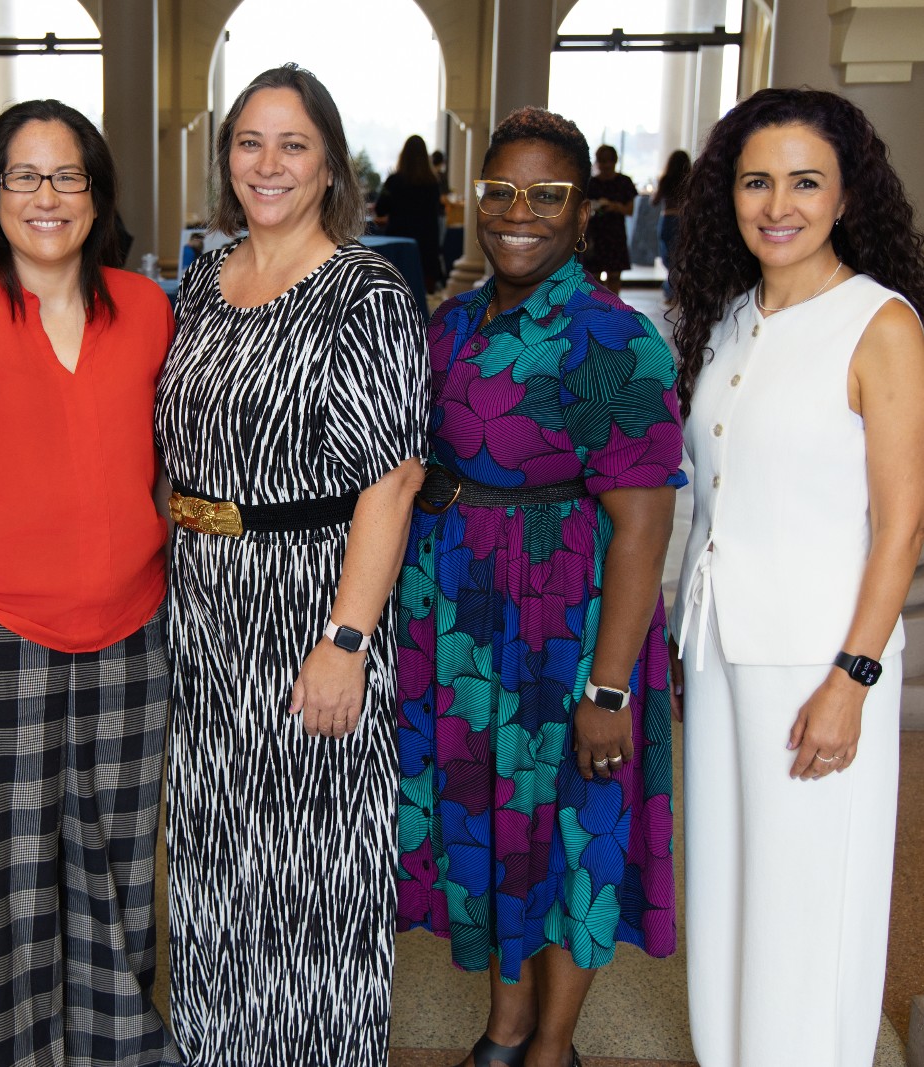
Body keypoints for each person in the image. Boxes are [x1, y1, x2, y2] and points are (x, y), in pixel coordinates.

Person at [396, 107, 683, 1067]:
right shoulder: (454, 321)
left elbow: (642, 527)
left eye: (546, 194)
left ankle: (552, 1046)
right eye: (500, 191)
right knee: (493, 831)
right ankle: (506, 1024)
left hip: (566, 630)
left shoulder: (612, 338)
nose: (518, 212)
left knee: (566, 839)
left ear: (581, 211)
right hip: (468, 625)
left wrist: (608, 688)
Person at [0, 99, 179, 1067]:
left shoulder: (147, 308)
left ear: (96, 196)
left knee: (115, 864)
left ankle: (110, 1047)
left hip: (130, 631)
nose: (45, 196)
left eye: (67, 176)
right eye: (23, 175)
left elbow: (162, 468)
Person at [155, 64, 428, 1067]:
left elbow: (393, 479)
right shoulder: (205, 276)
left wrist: (346, 640)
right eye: (249, 142)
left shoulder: (366, 291)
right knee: (214, 855)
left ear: (329, 168)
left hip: (311, 597)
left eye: (293, 144)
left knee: (312, 863)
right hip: (203, 606)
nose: (267, 164)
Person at [668, 88, 924, 1067]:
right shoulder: (731, 318)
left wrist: (850, 680)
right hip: (721, 648)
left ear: (846, 196)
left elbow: (901, 525)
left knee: (806, 902)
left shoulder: (879, 323)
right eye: (756, 182)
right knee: (729, 887)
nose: (778, 205)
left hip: (818, 658)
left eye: (805, 182)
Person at [375, 133, 446, 289]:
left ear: (403, 155)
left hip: (398, 244)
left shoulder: (393, 181)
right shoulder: (433, 183)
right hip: (425, 247)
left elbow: (380, 209)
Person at [582, 144, 635, 293]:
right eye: (602, 161)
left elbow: (630, 210)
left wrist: (614, 206)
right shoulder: (590, 183)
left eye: (609, 161)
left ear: (615, 161)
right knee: (594, 277)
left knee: (615, 275)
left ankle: (614, 304)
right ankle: (598, 304)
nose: (606, 165)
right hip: (595, 234)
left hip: (615, 233)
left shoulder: (624, 182)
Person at [653, 149, 691, 297]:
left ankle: (670, 289)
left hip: (667, 219)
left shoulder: (665, 180)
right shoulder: (690, 180)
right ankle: (674, 288)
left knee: (666, 256)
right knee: (679, 257)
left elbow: (654, 201)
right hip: (683, 220)